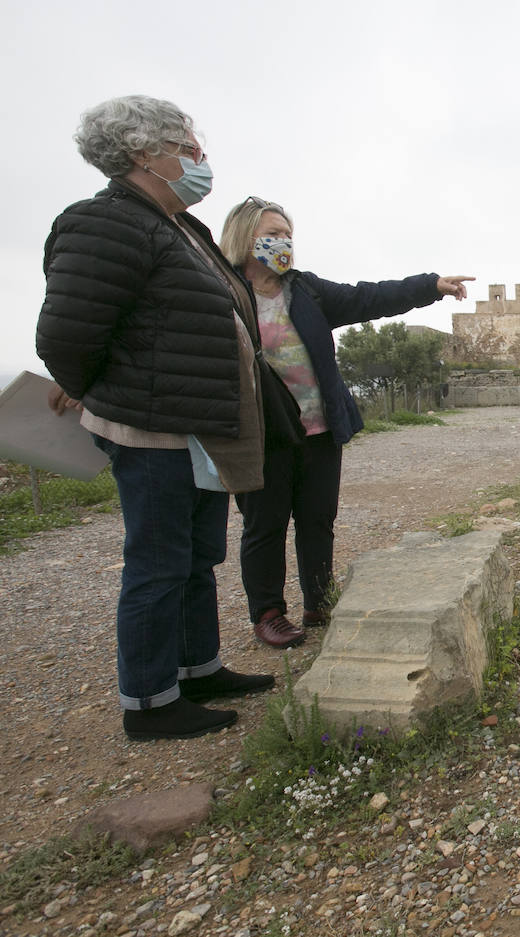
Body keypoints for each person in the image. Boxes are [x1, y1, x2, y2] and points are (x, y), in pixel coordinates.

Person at [36, 95, 276, 741]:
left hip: (194, 427)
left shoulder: (179, 225)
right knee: (158, 562)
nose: (200, 159)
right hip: (152, 430)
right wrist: (101, 394)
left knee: (197, 557)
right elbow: (66, 334)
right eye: (189, 147)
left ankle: (197, 669)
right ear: (145, 153)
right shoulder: (104, 222)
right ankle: (148, 701)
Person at [218, 196, 472, 648]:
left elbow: (366, 297)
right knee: (266, 525)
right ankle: (269, 613)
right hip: (262, 433)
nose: (283, 244)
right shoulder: (223, 293)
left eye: (287, 236)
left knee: (318, 518)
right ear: (243, 237)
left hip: (319, 427)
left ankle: (320, 600)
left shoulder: (306, 290)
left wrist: (430, 285)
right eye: (271, 235)